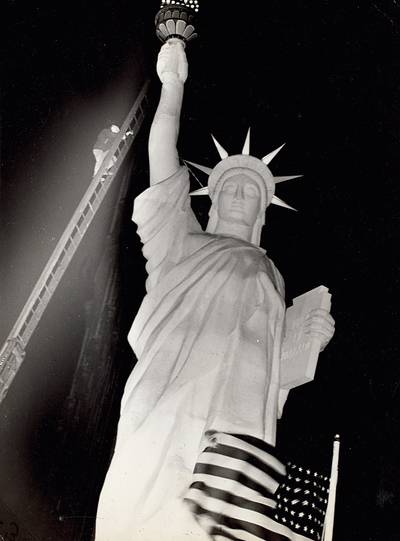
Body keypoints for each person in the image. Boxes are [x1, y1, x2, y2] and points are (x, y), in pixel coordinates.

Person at [95, 40, 335, 541]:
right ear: (213, 199)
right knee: (138, 493)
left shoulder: (271, 276)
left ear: (264, 211)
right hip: (167, 387)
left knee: (207, 523)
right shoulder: (180, 239)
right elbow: (162, 157)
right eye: (231, 188)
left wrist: (308, 337)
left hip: (236, 415)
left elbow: (276, 374)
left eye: (251, 191)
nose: (241, 195)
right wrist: (173, 86)